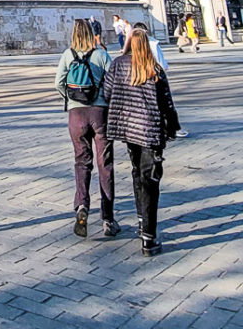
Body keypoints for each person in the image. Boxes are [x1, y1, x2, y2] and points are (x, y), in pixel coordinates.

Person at [103, 28, 181, 256]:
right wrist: (174, 127)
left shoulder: (118, 64)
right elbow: (167, 102)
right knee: (151, 179)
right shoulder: (154, 68)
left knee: (138, 172)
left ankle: (141, 221)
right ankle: (149, 234)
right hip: (150, 130)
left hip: (129, 129)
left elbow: (107, 93)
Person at [55, 18, 119, 239]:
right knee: (105, 164)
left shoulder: (68, 55)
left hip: (76, 115)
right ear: (92, 33)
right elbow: (113, 82)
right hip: (99, 113)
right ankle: (108, 218)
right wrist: (104, 99)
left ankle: (82, 206)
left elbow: (58, 83)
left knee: (82, 162)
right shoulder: (101, 55)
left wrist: (71, 99)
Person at [131, 21, 189, 139]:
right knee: (165, 103)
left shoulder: (131, 45)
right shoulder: (152, 43)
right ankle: (173, 129)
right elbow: (162, 64)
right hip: (155, 75)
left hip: (138, 76)